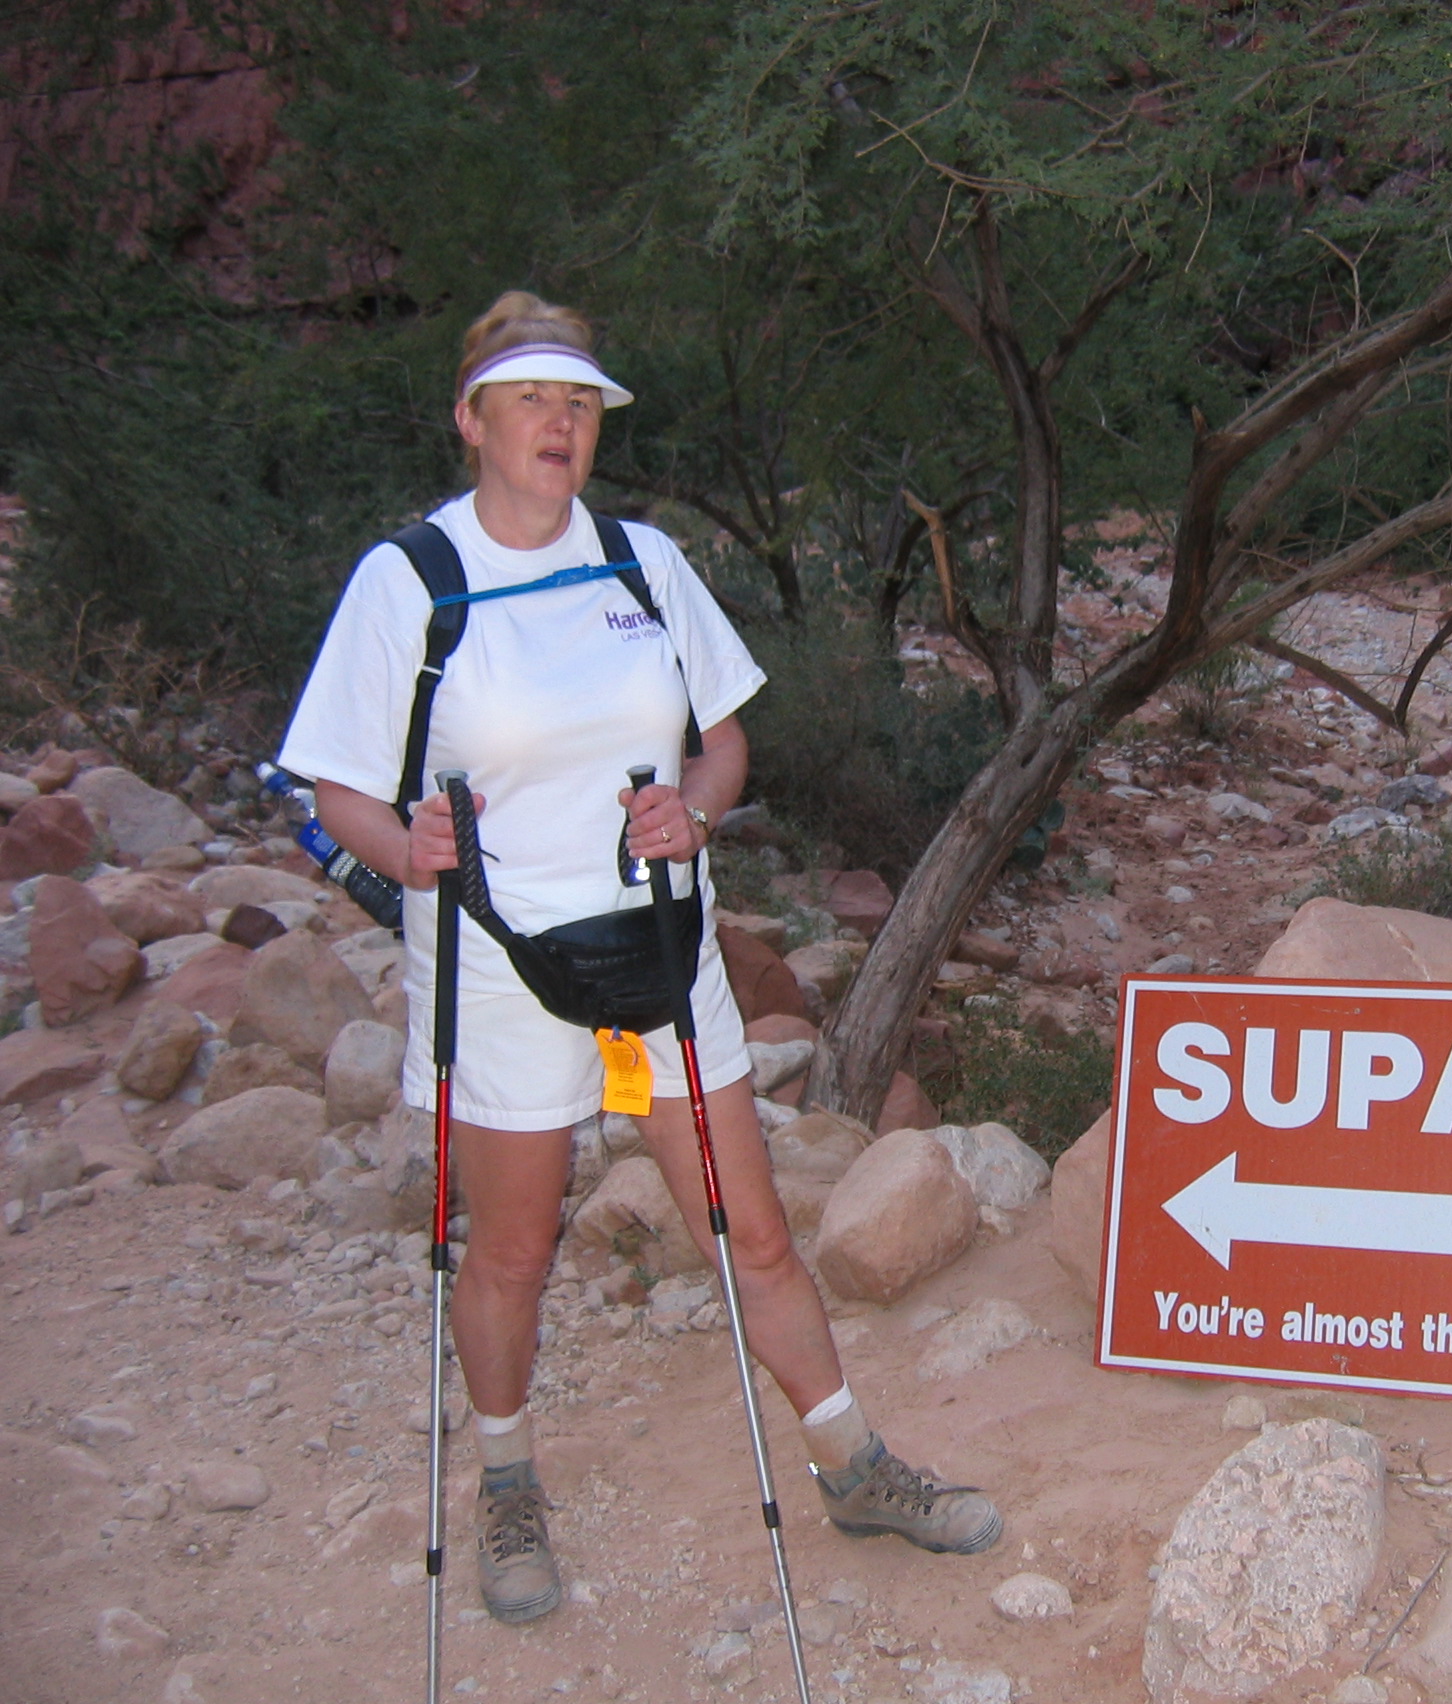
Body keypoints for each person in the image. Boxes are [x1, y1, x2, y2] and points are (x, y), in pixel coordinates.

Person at [278, 290, 1000, 1625]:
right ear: (473, 419)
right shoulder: (410, 581)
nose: (560, 422)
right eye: (532, 398)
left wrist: (700, 804)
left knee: (756, 1230)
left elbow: (722, 739)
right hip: (498, 970)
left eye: (580, 401)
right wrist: (403, 850)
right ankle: (507, 1487)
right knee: (512, 1251)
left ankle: (853, 1464)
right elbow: (334, 788)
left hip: (656, 952)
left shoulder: (642, 563)